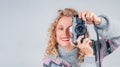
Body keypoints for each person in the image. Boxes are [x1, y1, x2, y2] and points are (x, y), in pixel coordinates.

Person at [43, 8, 120, 67]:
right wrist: (89, 57)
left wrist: (99, 22)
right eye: (60, 28)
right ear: (54, 33)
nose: (65, 33)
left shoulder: (94, 48)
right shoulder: (51, 61)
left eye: (71, 28)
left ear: (82, 29)